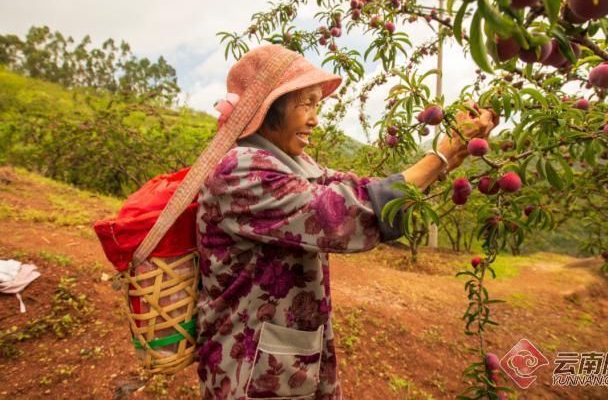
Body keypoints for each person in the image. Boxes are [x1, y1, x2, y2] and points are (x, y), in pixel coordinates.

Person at [195, 44, 497, 399]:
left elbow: (360, 189)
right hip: (248, 371)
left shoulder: (293, 164)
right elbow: (345, 214)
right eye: (304, 104)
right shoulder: (241, 172)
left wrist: (448, 158)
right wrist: (440, 155)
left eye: (315, 104)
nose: (314, 118)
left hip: (283, 357)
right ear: (268, 109)